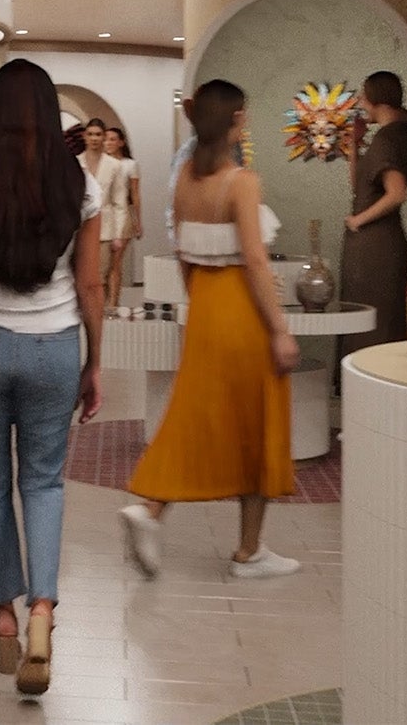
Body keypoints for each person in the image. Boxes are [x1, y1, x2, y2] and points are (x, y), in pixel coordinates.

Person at [0, 59, 104, 698]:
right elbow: (90, 283)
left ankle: (2, 613)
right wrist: (94, 363)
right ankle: (42, 614)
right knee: (44, 482)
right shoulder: (82, 186)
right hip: (54, 348)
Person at [120, 79, 301, 583]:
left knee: (198, 414)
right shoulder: (240, 183)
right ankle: (249, 550)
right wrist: (280, 329)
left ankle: (153, 509)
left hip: (203, 308)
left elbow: (183, 255)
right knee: (257, 421)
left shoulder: (183, 182)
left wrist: (200, 302)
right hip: (242, 313)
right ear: (238, 120)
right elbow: (257, 262)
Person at [341, 71, 407, 352]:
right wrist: (354, 144)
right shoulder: (392, 137)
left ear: (379, 100)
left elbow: (397, 193)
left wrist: (358, 220)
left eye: (365, 97)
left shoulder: (389, 139)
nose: (362, 104)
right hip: (375, 244)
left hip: (377, 247)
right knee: (367, 317)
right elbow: (360, 186)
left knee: (373, 322)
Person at [80, 119, 127, 310]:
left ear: (104, 136)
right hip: (80, 225)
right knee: (81, 272)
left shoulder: (114, 165)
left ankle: (101, 310)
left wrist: (118, 234)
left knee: (102, 274)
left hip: (105, 227)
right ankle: (83, 309)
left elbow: (120, 202)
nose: (94, 138)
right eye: (90, 134)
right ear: (84, 136)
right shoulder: (76, 162)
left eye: (98, 134)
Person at [103, 127, 141, 309]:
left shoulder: (129, 165)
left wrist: (138, 221)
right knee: (102, 263)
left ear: (121, 142)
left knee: (115, 262)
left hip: (123, 216)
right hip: (104, 217)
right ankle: (103, 302)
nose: (108, 143)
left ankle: (113, 303)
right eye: (106, 139)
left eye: (112, 139)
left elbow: (134, 194)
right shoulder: (101, 163)